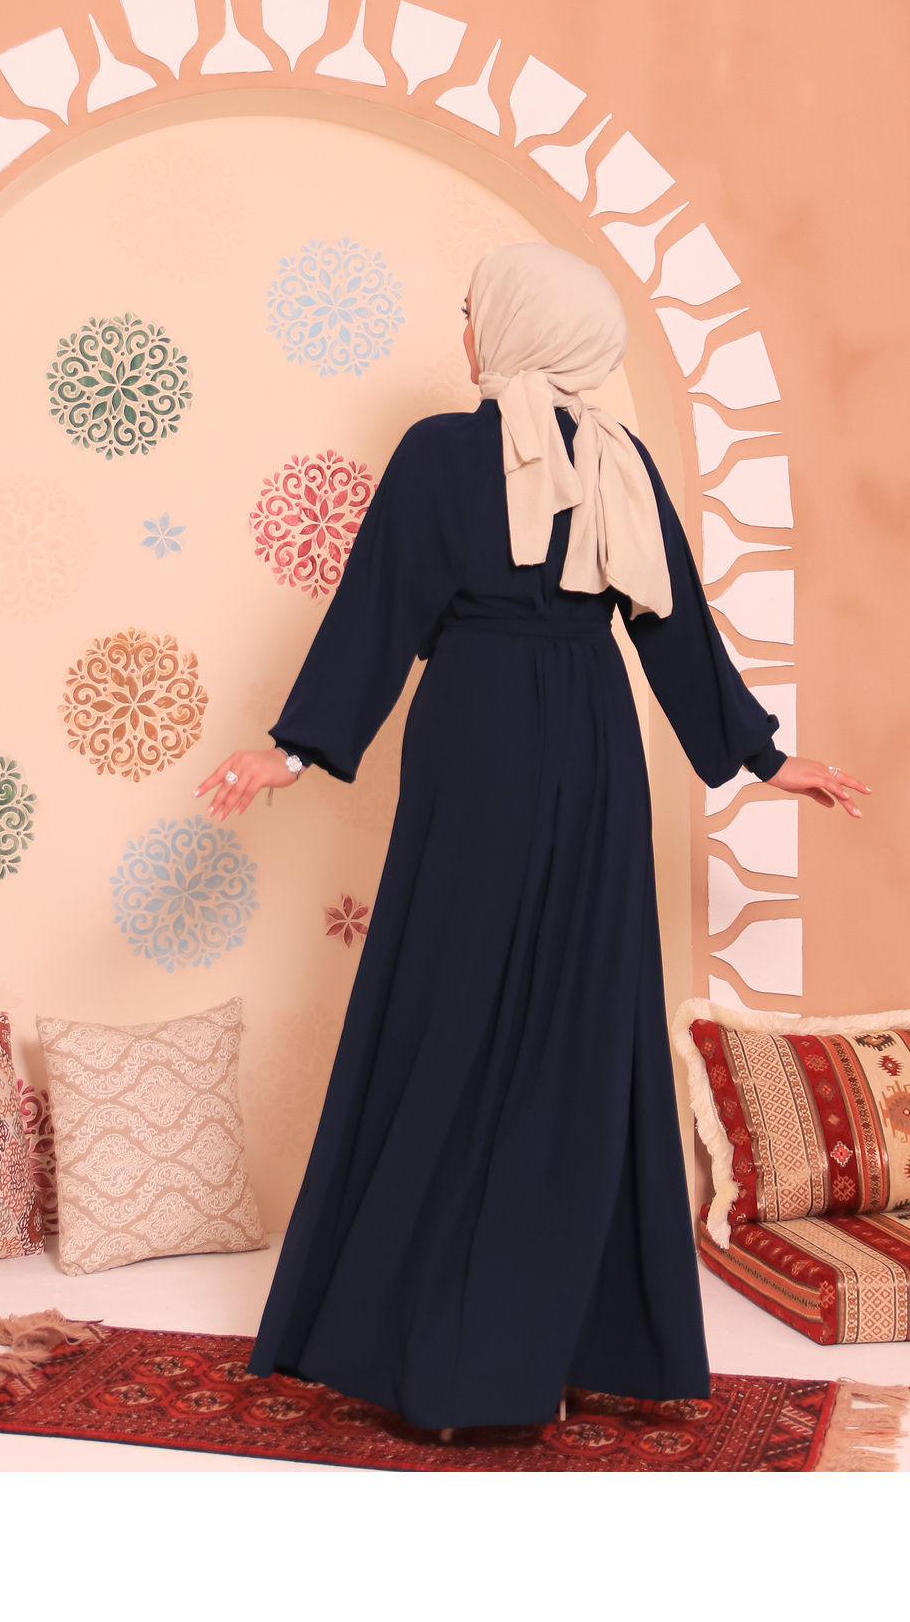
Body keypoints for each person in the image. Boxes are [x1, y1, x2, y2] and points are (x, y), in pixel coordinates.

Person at [194, 241, 869, 1433]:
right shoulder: (619, 460)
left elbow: (378, 614)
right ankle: (548, 1348)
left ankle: (444, 1353)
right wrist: (765, 759)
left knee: (449, 1011)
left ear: (517, 327)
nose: (463, 331)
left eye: (472, 312)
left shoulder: (442, 454)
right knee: (576, 1028)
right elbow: (672, 632)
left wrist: (291, 753)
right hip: (595, 746)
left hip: (479, 741)